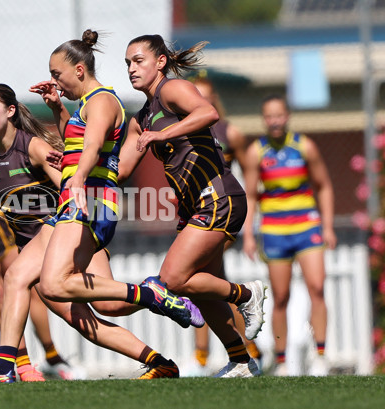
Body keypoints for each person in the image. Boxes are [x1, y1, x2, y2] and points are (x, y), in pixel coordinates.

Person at [0, 30, 200, 384]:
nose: (55, 80)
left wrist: (78, 178)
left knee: (55, 287)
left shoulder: (101, 101)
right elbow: (76, 143)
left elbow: (92, 145)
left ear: (80, 70)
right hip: (82, 198)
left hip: (92, 198)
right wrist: (59, 111)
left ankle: (151, 293)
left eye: (58, 74)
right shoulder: (84, 106)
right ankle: (3, 368)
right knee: (21, 278)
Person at [113, 34, 267, 378]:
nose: (131, 69)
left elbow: (208, 112)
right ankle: (241, 360)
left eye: (138, 61)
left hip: (220, 197)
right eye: (127, 63)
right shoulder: (142, 116)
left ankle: (246, 294)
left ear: (161, 62)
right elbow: (121, 170)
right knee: (201, 286)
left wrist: (163, 135)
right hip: (197, 207)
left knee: (173, 279)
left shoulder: (171, 90)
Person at [0, 96, 86, 380]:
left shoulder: (19, 149)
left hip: (35, 236)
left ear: (8, 113)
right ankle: (23, 363)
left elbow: (64, 182)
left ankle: (40, 355)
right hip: (2, 236)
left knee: (80, 305)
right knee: (11, 289)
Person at [242, 94, 336, 376]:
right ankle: (282, 361)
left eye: (279, 115)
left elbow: (325, 186)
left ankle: (319, 356)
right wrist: (248, 234)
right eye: (269, 116)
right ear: (264, 119)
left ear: (287, 116)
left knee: (317, 289)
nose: (274, 121)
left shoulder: (304, 147)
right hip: (274, 230)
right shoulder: (256, 152)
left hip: (307, 227)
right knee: (280, 296)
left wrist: (328, 226)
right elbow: (250, 196)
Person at [186, 74, 263, 374]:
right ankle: (247, 351)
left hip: (222, 211)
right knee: (208, 283)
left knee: (198, 278)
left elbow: (251, 174)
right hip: (197, 213)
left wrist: (251, 214)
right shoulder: (187, 132)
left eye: (207, 98)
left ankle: (206, 357)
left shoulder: (230, 133)